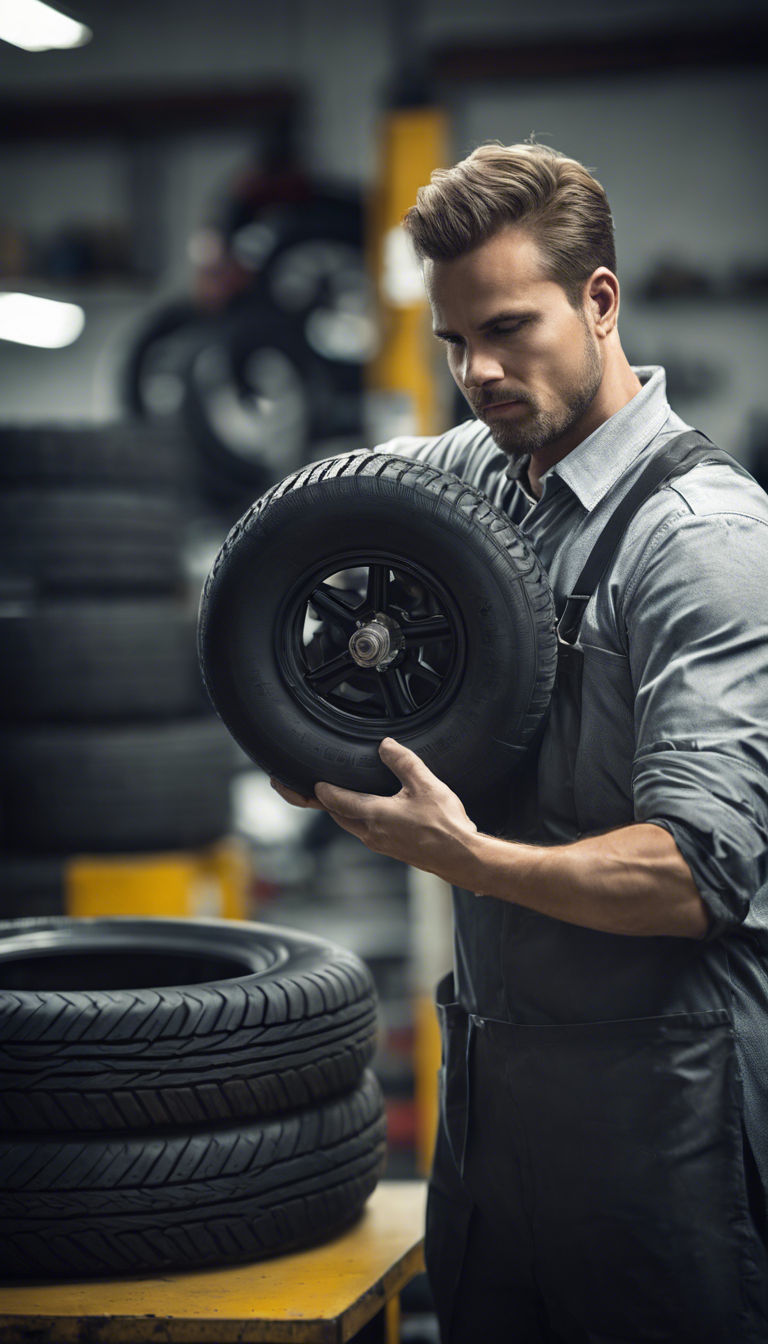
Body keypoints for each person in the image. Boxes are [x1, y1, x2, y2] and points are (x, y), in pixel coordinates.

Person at [272, 142, 768, 1342]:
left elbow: (697, 875)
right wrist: (307, 713)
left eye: (508, 329)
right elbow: (302, 526)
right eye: (452, 343)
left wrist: (463, 857)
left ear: (600, 301)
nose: (479, 372)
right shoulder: (480, 477)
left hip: (668, 1121)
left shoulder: (703, 540)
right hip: (495, 1103)